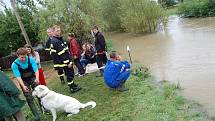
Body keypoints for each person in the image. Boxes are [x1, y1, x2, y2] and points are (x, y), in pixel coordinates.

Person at [49, 25, 81, 93]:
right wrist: (67, 63)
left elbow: (65, 50)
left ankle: (72, 85)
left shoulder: (58, 39)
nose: (59, 32)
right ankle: (72, 88)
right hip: (64, 62)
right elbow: (62, 54)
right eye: (57, 31)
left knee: (70, 73)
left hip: (65, 61)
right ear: (53, 31)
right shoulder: (55, 41)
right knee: (69, 74)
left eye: (59, 30)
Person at [11, 48, 41, 121]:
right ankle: (36, 115)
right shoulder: (14, 65)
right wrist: (23, 86)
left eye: (25, 57)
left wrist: (37, 78)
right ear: (17, 56)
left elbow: (36, 70)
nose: (24, 59)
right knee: (29, 97)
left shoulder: (30, 59)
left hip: (32, 77)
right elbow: (18, 77)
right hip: (23, 81)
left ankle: (44, 109)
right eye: (21, 57)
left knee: (39, 93)